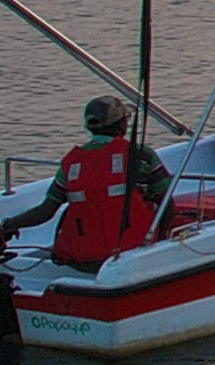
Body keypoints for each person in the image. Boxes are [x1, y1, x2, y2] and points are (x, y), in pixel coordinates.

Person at [38, 94, 171, 270]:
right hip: (133, 254)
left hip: (83, 261)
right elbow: (167, 204)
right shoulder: (142, 155)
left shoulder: (71, 163)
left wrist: (9, 225)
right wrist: (163, 241)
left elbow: (46, 211)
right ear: (122, 125)